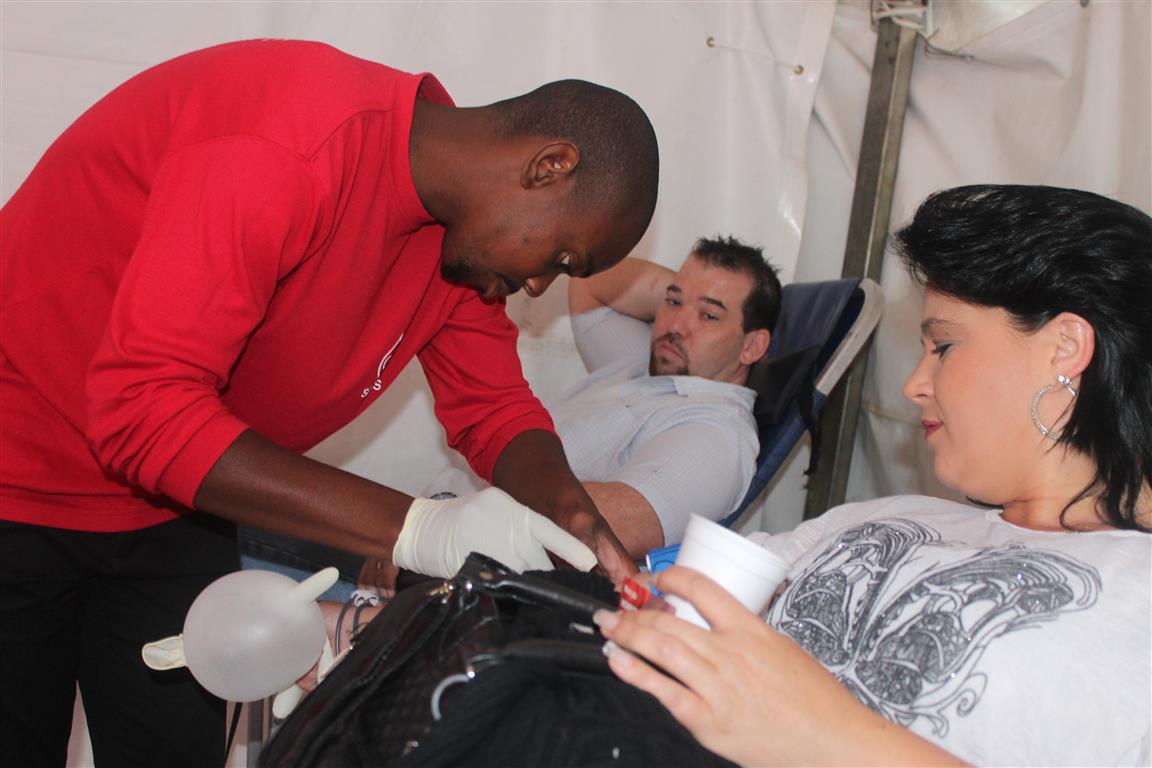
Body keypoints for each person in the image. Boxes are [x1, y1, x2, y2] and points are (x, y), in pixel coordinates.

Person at [0, 39, 658, 766]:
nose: (539, 286)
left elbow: (494, 410)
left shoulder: (462, 248)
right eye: (562, 259)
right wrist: (419, 529)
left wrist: (574, 519)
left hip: (179, 501)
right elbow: (142, 412)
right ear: (548, 166)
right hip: (17, 480)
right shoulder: (288, 142)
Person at [594, 185, 1152, 766]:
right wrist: (646, 590)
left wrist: (819, 735)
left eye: (944, 345)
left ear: (1064, 347)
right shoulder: (897, 515)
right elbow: (685, 581)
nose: (913, 385)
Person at [428, 235, 780, 557]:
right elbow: (590, 284)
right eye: (672, 301)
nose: (675, 325)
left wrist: (445, 520)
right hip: (437, 526)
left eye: (709, 315)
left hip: (464, 554)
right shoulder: (646, 365)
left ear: (752, 346)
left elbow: (614, 528)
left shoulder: (715, 434)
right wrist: (692, 292)